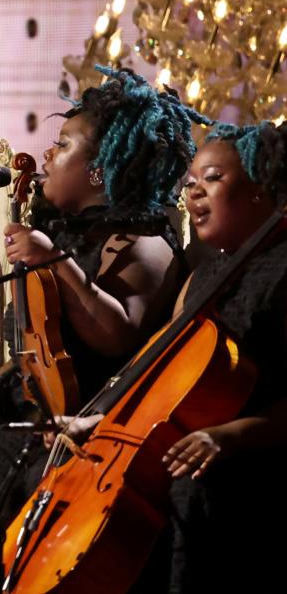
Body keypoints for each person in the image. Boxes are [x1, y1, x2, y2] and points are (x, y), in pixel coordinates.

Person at [0, 68, 204, 593]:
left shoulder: (142, 241)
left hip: (91, 424)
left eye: (65, 144)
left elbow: (116, 336)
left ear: (99, 171)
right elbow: (36, 344)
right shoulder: (56, 233)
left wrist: (58, 264)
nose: (48, 154)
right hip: (34, 411)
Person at [125, 120, 287, 592]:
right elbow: (157, 374)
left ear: (261, 190)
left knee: (190, 490)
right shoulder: (204, 276)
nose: (193, 193)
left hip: (261, 452)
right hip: (197, 442)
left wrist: (231, 436)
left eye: (212, 179)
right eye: (191, 182)